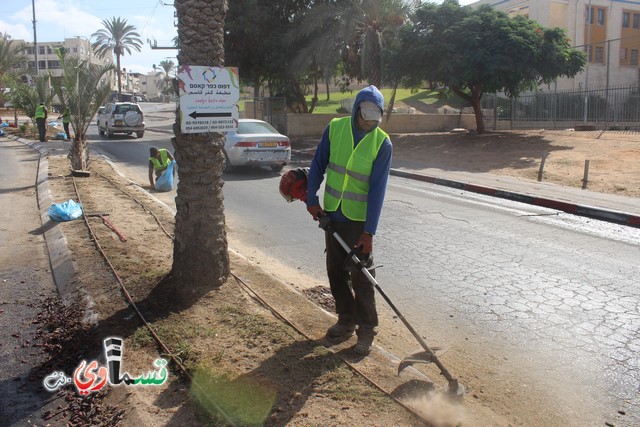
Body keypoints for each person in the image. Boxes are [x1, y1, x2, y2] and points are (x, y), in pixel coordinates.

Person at [306, 85, 393, 356]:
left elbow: (378, 190)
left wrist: (369, 232)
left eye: (375, 117)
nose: (369, 122)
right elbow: (318, 164)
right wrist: (311, 198)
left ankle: (367, 331)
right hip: (332, 213)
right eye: (366, 115)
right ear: (357, 110)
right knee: (335, 271)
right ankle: (346, 319)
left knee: (362, 276)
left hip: (359, 221)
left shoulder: (382, 143)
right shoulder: (335, 129)